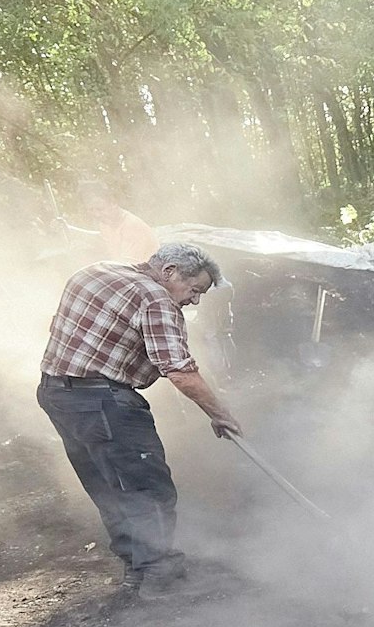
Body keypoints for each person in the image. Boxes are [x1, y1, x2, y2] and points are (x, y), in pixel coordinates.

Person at [37, 243, 241, 594]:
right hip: (103, 401)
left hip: (57, 395)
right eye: (194, 291)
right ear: (170, 271)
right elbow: (179, 370)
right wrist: (221, 416)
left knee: (109, 486)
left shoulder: (97, 270)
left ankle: (137, 568)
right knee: (148, 488)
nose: (194, 302)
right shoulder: (156, 299)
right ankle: (161, 577)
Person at [65, 182, 159, 264]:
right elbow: (102, 238)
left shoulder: (131, 226)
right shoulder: (106, 223)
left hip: (147, 278)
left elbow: (128, 266)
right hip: (127, 274)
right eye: (91, 210)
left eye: (100, 209)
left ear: (113, 203)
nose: (96, 214)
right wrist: (68, 229)